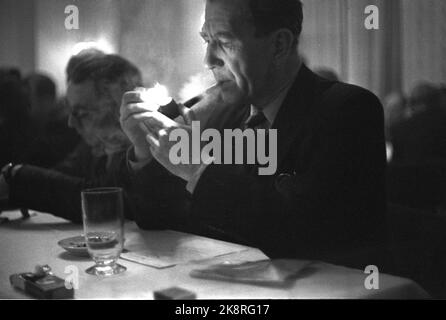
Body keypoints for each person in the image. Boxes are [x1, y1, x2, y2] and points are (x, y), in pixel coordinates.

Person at [120, 0, 387, 269]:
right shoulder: (222, 115)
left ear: (279, 45)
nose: (208, 61)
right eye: (206, 41)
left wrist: (197, 168)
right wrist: (146, 150)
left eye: (224, 42)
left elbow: (307, 232)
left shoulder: (346, 109)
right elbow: (159, 221)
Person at [0, 53, 142, 223]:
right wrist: (14, 189)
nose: (71, 123)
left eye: (81, 113)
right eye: (70, 110)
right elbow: (64, 173)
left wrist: (16, 178)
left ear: (119, 110)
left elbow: (109, 199)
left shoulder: (144, 149)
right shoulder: (93, 146)